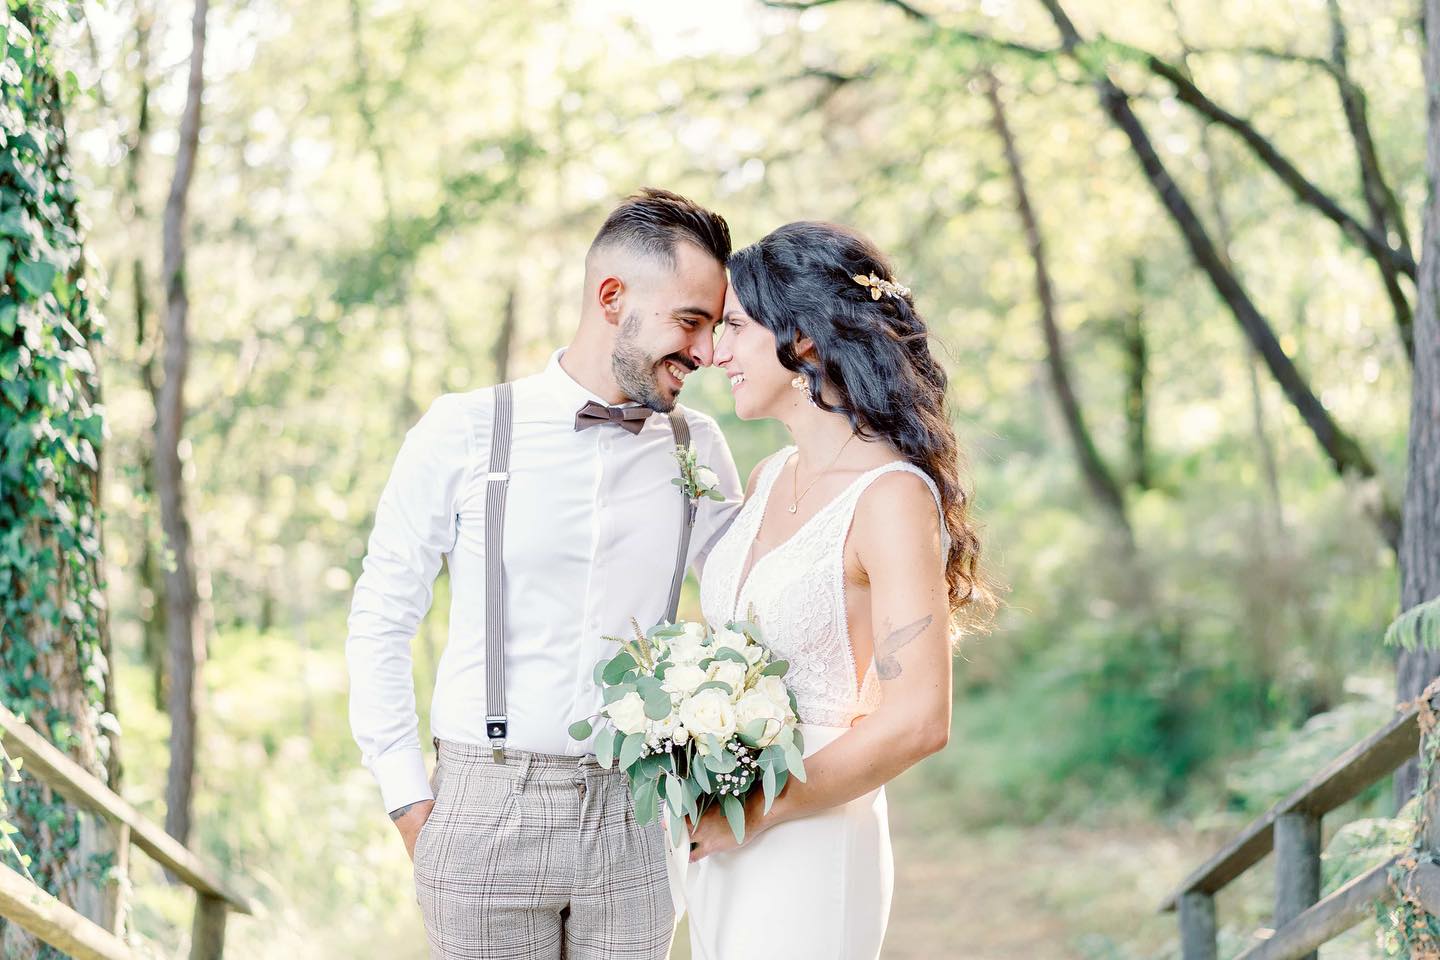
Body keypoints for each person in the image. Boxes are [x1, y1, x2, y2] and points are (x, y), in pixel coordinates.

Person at [346, 188, 744, 959]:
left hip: (638, 815)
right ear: (612, 298)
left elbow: (749, 608)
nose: (703, 352)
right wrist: (407, 800)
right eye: (689, 321)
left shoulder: (700, 446)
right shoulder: (464, 429)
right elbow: (381, 614)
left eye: (713, 327)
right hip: (486, 805)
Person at [681, 221, 996, 959]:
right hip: (729, 831)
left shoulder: (890, 498)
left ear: (806, 341)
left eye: (734, 327)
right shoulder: (765, 482)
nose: (715, 352)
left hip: (810, 827)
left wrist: (756, 812)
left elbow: (919, 719)